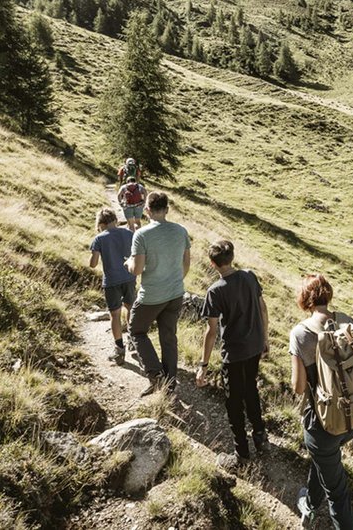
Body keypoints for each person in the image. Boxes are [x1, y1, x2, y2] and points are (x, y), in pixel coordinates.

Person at [289, 274, 353, 529]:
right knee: (325, 460)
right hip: (352, 418)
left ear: (305, 300)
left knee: (338, 494)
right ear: (327, 294)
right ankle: (309, 502)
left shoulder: (300, 333)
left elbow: (298, 389)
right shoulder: (347, 322)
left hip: (323, 424)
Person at [194, 240, 270, 466]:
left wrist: (203, 365)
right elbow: (263, 307)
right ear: (232, 256)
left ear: (212, 264)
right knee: (251, 390)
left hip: (234, 353)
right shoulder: (249, 276)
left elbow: (211, 331)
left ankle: (241, 456)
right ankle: (261, 437)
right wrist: (265, 339)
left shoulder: (215, 291)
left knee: (234, 403)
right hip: (255, 346)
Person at [127, 192, 191, 396]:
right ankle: (170, 383)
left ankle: (156, 376)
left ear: (146, 210)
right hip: (175, 293)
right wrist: (176, 281)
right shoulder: (181, 231)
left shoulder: (142, 235)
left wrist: (128, 263)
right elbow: (186, 263)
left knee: (136, 330)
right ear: (167, 209)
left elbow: (137, 270)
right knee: (169, 337)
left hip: (152, 295)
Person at [88, 207, 135, 364]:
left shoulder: (99, 238)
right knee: (130, 308)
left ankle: (119, 350)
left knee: (114, 315)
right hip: (129, 277)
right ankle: (133, 341)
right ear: (115, 220)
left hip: (111, 281)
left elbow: (93, 264)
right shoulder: (129, 233)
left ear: (100, 223)